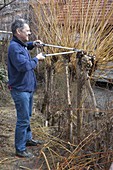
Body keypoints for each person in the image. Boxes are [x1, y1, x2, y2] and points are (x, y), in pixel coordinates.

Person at [7, 18, 45, 158]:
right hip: (20, 89)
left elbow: (24, 47)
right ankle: (20, 149)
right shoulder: (14, 48)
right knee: (23, 119)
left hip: (27, 88)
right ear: (18, 31)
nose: (29, 33)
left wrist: (33, 44)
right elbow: (23, 66)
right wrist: (37, 59)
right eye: (27, 31)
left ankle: (27, 139)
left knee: (27, 116)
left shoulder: (20, 44)